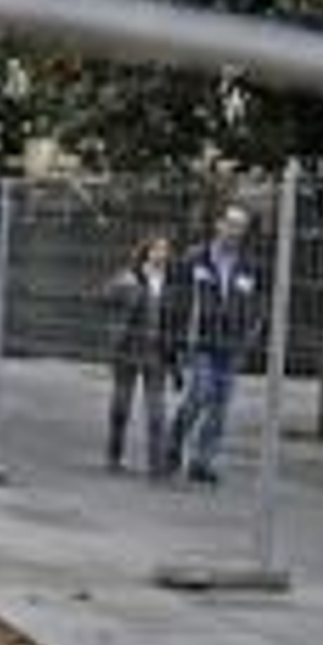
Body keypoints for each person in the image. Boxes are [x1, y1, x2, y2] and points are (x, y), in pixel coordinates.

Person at [168, 203, 260, 484]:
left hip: (231, 344)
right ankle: (174, 442)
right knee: (201, 394)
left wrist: (250, 335)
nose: (235, 231)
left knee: (221, 405)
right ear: (219, 225)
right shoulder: (195, 258)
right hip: (200, 341)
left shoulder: (248, 264)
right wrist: (179, 338)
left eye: (240, 226)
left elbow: (256, 304)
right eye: (230, 223)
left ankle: (202, 462)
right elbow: (178, 298)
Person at [103, 233, 177, 477]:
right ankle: (114, 456)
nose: (162, 254)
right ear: (147, 251)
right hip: (129, 350)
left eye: (165, 250)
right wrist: (122, 289)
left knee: (157, 410)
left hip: (157, 353)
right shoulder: (130, 276)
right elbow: (105, 297)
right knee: (120, 407)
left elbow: (175, 316)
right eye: (157, 249)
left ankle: (156, 464)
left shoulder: (171, 281)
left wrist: (174, 353)